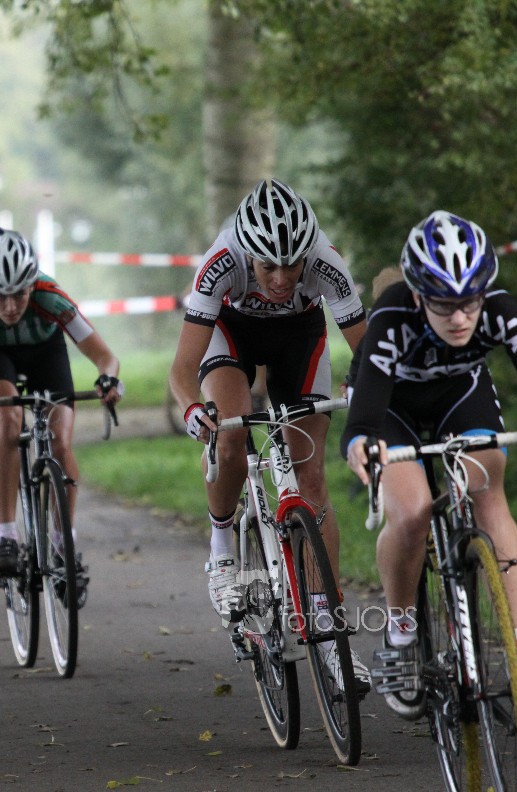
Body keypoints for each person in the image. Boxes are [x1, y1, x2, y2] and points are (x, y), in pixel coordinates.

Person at [343, 210, 517, 725]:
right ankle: (401, 637)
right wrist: (362, 446)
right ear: (418, 295)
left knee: (488, 496)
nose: (460, 318)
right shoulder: (391, 317)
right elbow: (363, 418)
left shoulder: (499, 310)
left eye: (470, 302)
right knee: (412, 512)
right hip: (391, 408)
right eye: (444, 305)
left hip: (459, 397)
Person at [168, 178, 370, 696]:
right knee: (231, 436)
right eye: (267, 267)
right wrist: (192, 409)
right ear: (247, 256)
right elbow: (183, 369)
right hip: (230, 333)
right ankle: (221, 547)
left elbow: (368, 352)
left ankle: (328, 631)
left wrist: (364, 386)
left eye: (292, 266)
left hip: (299, 337)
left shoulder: (327, 262)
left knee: (311, 476)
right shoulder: (220, 263)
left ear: (308, 255)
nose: (281, 279)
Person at [0, 228, 123, 606]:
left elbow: (105, 357)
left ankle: (64, 542)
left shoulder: (50, 296)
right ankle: (6, 536)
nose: (11, 306)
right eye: (0, 296)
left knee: (60, 439)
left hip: (46, 352)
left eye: (19, 294)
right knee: (7, 419)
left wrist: (108, 379)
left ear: (32, 285)